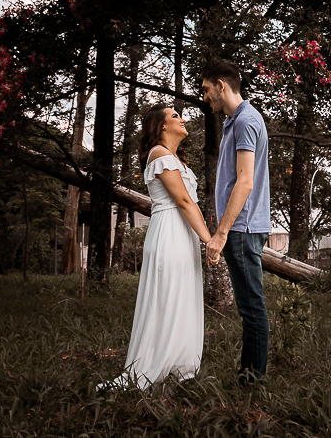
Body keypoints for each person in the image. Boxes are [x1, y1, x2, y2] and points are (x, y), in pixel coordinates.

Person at [98, 102, 212, 392]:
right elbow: (184, 202)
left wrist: (201, 238)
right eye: (175, 116)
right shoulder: (159, 154)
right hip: (170, 232)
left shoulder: (176, 158)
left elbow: (192, 204)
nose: (183, 119)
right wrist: (210, 241)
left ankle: (180, 366)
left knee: (183, 296)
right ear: (161, 126)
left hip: (183, 233)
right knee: (167, 297)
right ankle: (156, 363)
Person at [202, 62, 271, 384]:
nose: (205, 98)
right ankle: (249, 376)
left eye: (206, 90)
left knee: (251, 308)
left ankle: (251, 382)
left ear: (221, 85)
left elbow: (245, 182)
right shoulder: (235, 121)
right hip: (242, 227)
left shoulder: (245, 121)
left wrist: (220, 234)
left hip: (242, 229)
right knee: (249, 307)